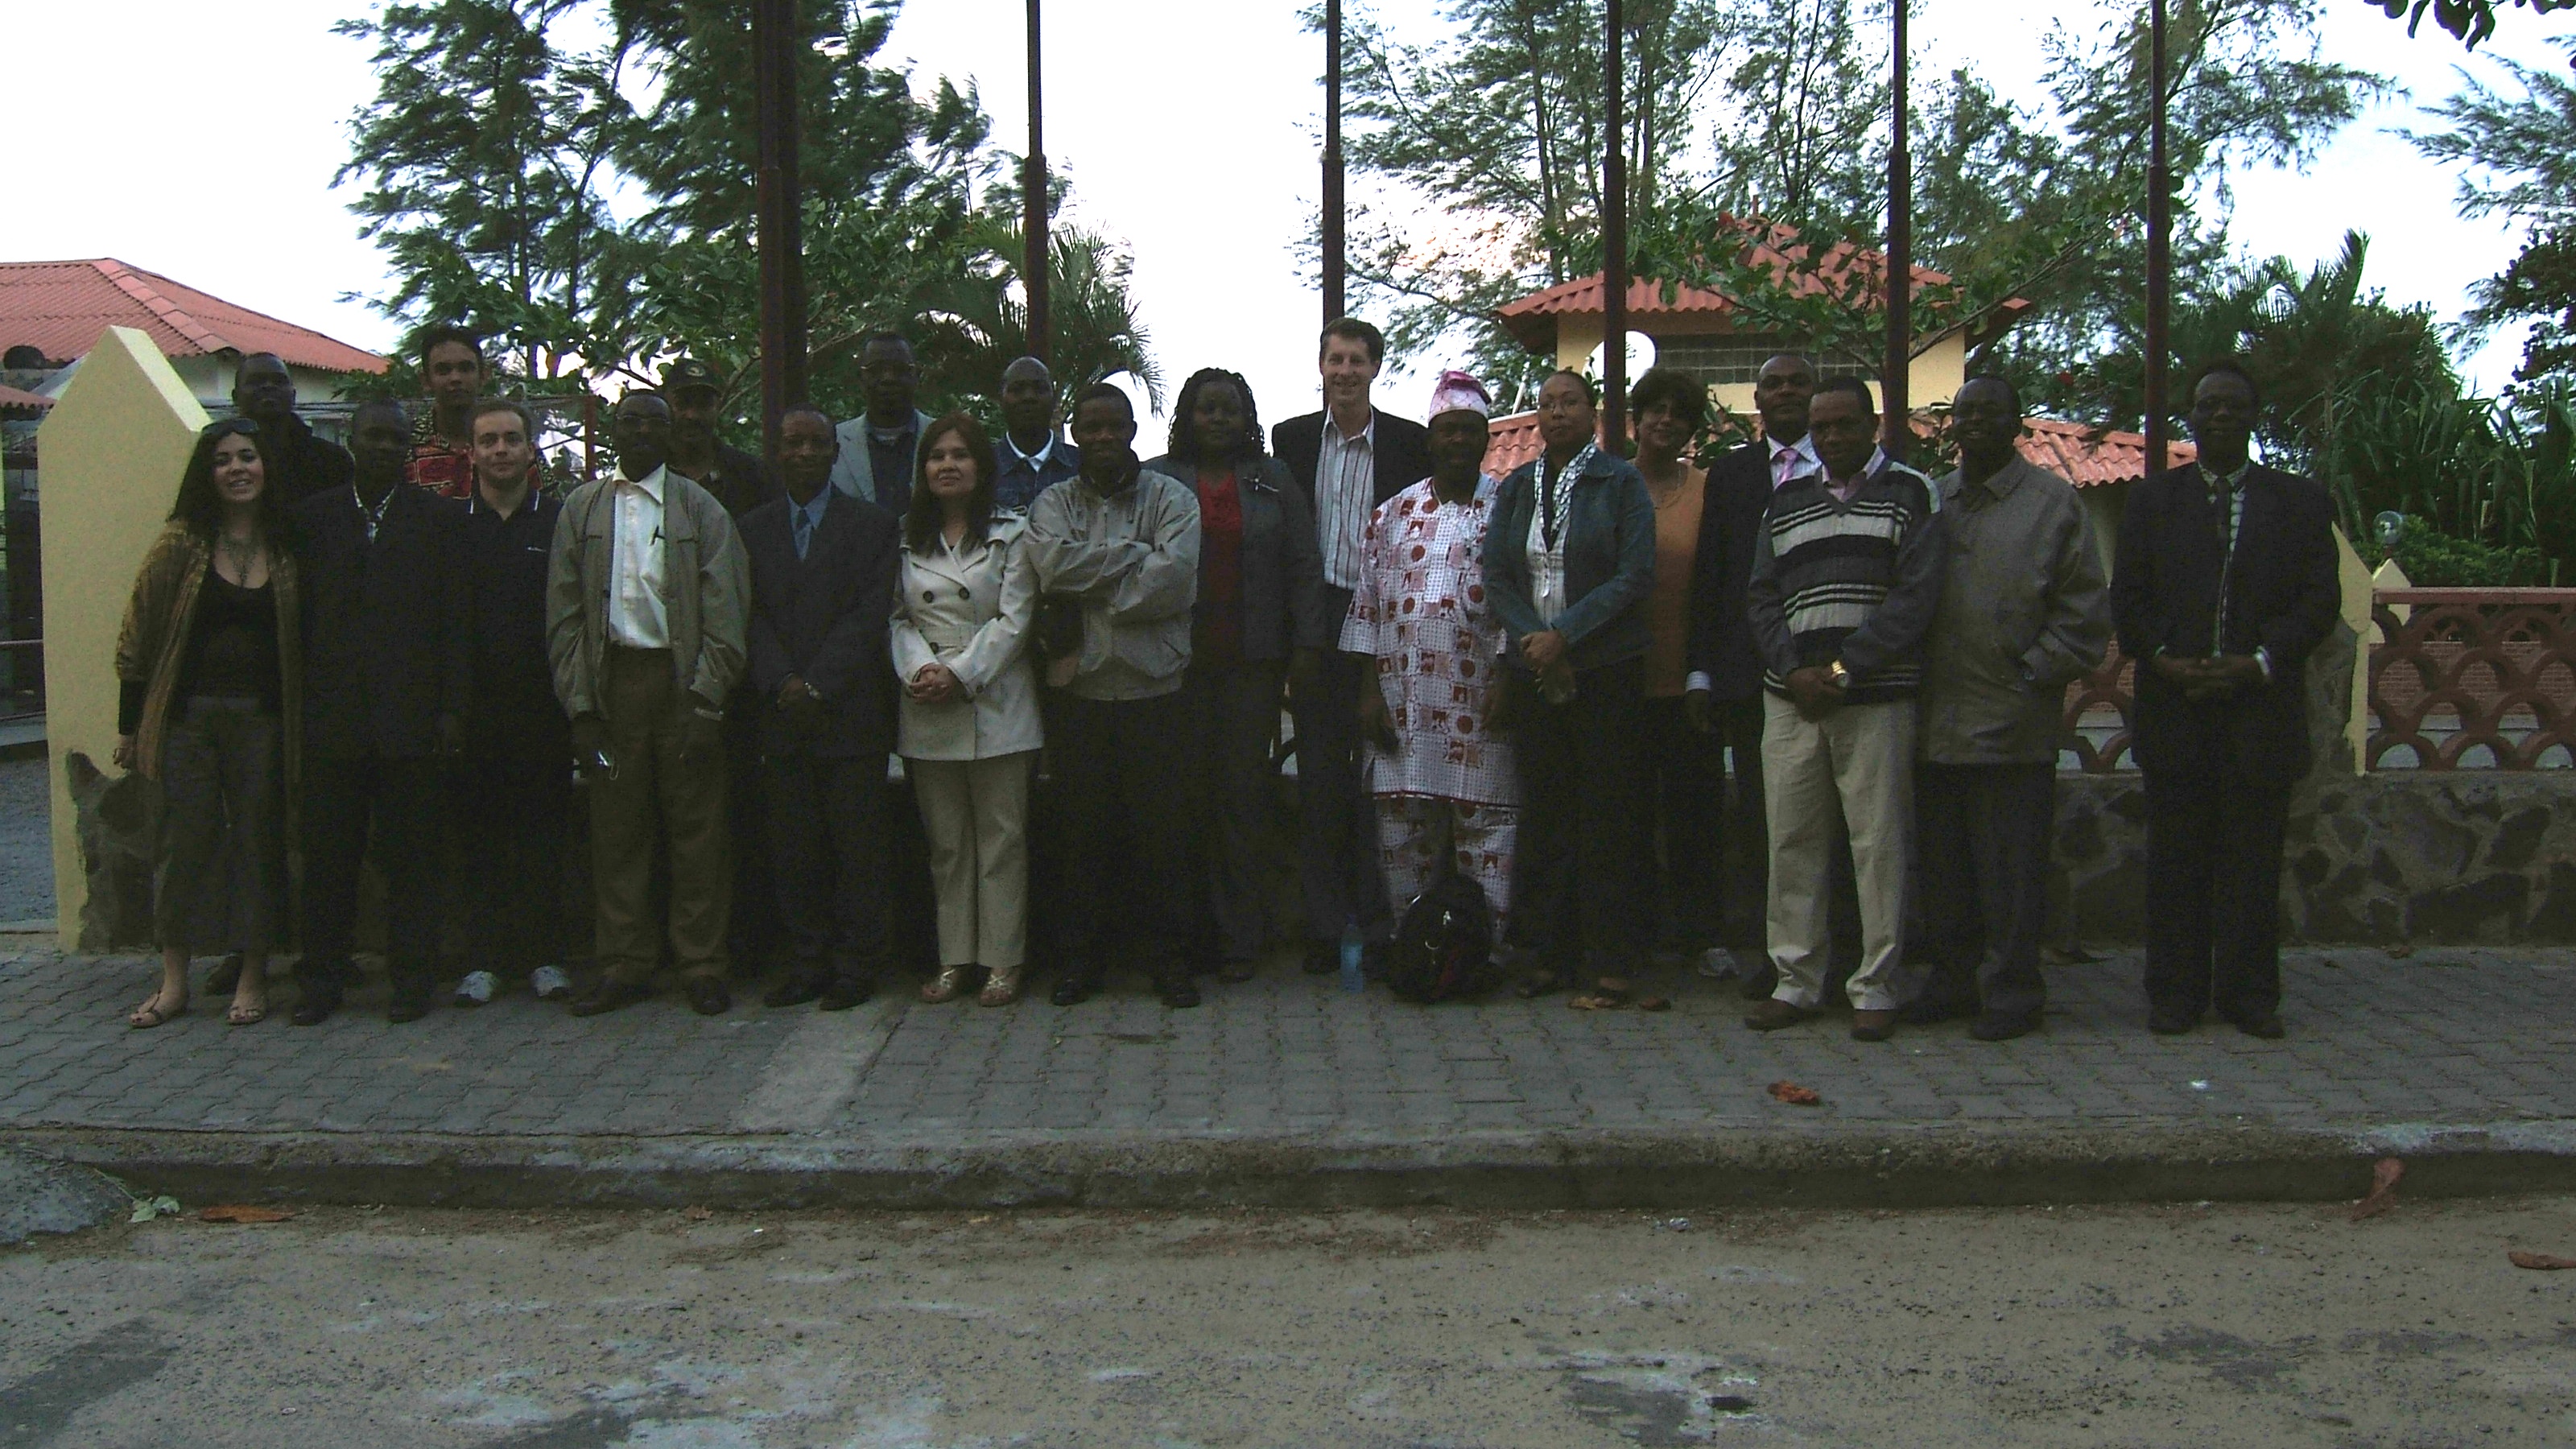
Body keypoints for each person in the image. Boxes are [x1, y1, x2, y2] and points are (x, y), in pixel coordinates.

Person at [2111, 359, 2339, 1039]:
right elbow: (2129, 598)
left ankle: (2249, 996)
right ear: (2190, 415)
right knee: (2176, 863)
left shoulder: (2299, 503)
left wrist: (2260, 662)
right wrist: (2163, 659)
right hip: (2175, 708)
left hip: (2259, 711)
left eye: (2233, 405)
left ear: (2253, 416)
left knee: (2252, 862)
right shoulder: (2152, 501)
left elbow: (2319, 600)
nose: (2220, 415)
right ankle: (2175, 995)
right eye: (2208, 404)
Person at [1905, 378, 2112, 1041]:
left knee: (2011, 874)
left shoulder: (2054, 505)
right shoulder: (1931, 499)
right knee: (1944, 869)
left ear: (2017, 423)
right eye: (1965, 413)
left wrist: (2030, 674)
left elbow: (2084, 613)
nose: (1976, 423)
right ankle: (1951, 981)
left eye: (1991, 412)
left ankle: (2014, 993)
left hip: (2013, 722)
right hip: (1934, 722)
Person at [1742, 378, 1943, 1042]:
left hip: (1874, 698)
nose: (1830, 437)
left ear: (1872, 424)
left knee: (1878, 844)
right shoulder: (1786, 500)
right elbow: (1761, 597)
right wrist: (1794, 671)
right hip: (1791, 700)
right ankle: (1796, 981)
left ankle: (1876, 986)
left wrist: (1842, 668)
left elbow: (1916, 598)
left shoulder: (1910, 493)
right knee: (1792, 842)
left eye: (1844, 425)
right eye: (1820, 427)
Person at [547, 390, 753, 1016]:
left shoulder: (700, 509)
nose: (640, 432)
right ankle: (624, 963)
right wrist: (581, 707)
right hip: (614, 685)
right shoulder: (583, 509)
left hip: (682, 682)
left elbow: (727, 609)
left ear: (670, 435)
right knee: (617, 829)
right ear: (613, 431)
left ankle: (702, 963)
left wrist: (708, 698)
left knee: (698, 830)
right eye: (629, 421)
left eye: (653, 423)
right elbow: (564, 616)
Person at [113, 419, 301, 1028]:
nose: (237, 469)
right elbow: (137, 636)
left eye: (248, 456)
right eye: (223, 460)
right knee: (182, 845)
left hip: (263, 723)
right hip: (187, 721)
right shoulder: (182, 543)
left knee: (258, 842)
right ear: (207, 473)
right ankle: (173, 982)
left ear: (265, 466)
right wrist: (129, 727)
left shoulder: (287, 546)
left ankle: (252, 976)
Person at [1145, 368, 1331, 983]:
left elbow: (1304, 565)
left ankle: (1239, 940)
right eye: (1208, 408)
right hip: (1176, 668)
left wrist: (1306, 646)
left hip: (1252, 666)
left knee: (1242, 800)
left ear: (1249, 419)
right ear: (1188, 416)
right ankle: (1185, 938)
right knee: (1182, 800)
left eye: (1231, 409)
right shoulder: (1157, 478)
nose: (1219, 419)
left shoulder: (1273, 480)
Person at [1024, 383, 1202, 1007]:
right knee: (1081, 836)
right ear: (1075, 433)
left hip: (1157, 689)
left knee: (1163, 835)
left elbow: (1174, 578)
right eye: (1090, 427)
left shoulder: (1172, 498)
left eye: (1114, 426)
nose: (1102, 437)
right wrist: (1134, 557)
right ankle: (1080, 962)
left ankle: (1170, 961)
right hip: (1081, 693)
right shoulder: (1052, 502)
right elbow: (1050, 568)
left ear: (1131, 430)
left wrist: (1095, 588)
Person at [293, 398, 469, 1026]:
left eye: (397, 439)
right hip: (334, 720)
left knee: (413, 860)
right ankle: (321, 980)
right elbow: (300, 620)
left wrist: (451, 708)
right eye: (375, 437)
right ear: (352, 440)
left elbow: (454, 622)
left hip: (411, 721)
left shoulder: (437, 519)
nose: (386, 448)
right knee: (329, 859)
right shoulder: (313, 519)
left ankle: (412, 980)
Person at [1483, 369, 1656, 997]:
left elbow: (1634, 575)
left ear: (1592, 412)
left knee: (1607, 813)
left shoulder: (1621, 482)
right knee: (1546, 812)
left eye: (1569, 403)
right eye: (1547, 404)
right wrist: (1535, 638)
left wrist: (1566, 635)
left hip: (1605, 669)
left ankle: (1610, 957)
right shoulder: (1518, 486)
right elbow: (1497, 574)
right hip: (1535, 669)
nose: (1557, 413)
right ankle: (1546, 954)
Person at [1271, 318, 1435, 975]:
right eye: (1335, 359)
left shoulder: (1409, 444)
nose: (1344, 372)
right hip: (1318, 622)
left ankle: (1379, 921)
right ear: (1320, 366)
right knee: (1319, 781)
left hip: (1388, 624)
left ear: (1375, 369)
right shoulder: (1290, 440)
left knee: (1379, 779)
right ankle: (1323, 925)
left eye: (1356, 361)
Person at [1344, 372, 1518, 946]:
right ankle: (1413, 948)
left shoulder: (1510, 509)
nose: (1458, 440)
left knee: (1488, 830)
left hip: (1481, 703)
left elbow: (1524, 601)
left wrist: (1509, 680)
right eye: (1448, 430)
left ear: (1487, 438)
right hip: (1405, 706)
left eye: (1470, 430)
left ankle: (1482, 953)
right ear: (1430, 438)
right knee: (1403, 833)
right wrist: (1368, 691)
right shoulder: (1392, 514)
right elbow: (1367, 606)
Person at [739, 402, 901, 1011]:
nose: (805, 453)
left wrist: (818, 685)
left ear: (836, 452)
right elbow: (748, 614)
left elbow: (869, 615)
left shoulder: (872, 526)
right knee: (795, 850)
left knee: (858, 850)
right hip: (781, 716)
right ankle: (807, 962)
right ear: (777, 452)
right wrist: (782, 681)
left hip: (849, 713)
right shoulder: (751, 529)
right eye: (794, 443)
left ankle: (858, 965)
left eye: (817, 444)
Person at [891, 413, 1044, 1005]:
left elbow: (1016, 619)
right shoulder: (907, 535)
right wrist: (922, 671)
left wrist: (960, 673)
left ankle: (1003, 961)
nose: (948, 465)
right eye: (937, 456)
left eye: (960, 455)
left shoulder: (1013, 531)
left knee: (1002, 839)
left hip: (997, 697)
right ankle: (954, 958)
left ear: (982, 466)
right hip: (927, 699)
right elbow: (897, 617)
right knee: (947, 845)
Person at [1684, 353, 1822, 993]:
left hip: (1835, 673)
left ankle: (1838, 951)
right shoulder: (1732, 474)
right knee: (1768, 823)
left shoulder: (1847, 467)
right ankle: (1778, 956)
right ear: (1757, 399)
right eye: (1773, 384)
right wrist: (1701, 673)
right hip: (1750, 678)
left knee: (1840, 822)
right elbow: (1711, 577)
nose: (1786, 392)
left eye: (1798, 382)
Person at [450, 397, 575, 1008]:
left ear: (531, 450)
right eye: (488, 441)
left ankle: (545, 956)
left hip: (543, 705)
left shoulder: (559, 522)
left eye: (511, 439)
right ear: (471, 454)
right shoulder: (451, 526)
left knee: (543, 834)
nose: (500, 450)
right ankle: (483, 960)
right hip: (472, 709)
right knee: (479, 836)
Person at [662, 357, 782, 983]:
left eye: (703, 400)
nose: (692, 412)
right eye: (683, 400)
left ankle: (749, 945)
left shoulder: (749, 477)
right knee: (673, 817)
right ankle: (674, 947)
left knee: (744, 811)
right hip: (664, 670)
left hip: (741, 668)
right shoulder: (643, 477)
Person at [1627, 365, 1724, 964]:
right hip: (1621, 679)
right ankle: (1636, 937)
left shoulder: (1708, 491)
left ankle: (1701, 936)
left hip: (1688, 681)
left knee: (1695, 815)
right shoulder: (1609, 486)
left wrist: (1703, 672)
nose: (1666, 421)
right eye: (1656, 409)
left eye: (1679, 413)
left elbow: (1719, 586)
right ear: (1636, 419)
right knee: (1628, 818)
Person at [229, 353, 352, 509]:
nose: (269, 386)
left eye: (279, 381)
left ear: (293, 395)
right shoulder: (219, 460)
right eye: (256, 381)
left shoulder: (332, 460)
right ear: (235, 396)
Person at [830, 333, 935, 513]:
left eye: (900, 369)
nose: (888, 378)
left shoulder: (943, 438)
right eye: (876, 370)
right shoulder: (832, 441)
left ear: (917, 376)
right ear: (860, 378)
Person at [662, 358, 777, 517]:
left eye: (704, 405)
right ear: (664, 406)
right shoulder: (647, 472)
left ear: (717, 407)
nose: (693, 415)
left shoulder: (751, 475)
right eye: (682, 404)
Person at [407, 325, 488, 499]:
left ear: (483, 376)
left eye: (465, 369)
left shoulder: (509, 441)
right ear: (426, 381)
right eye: (443, 370)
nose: (455, 378)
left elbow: (545, 506)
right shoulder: (405, 444)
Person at [993, 357, 1082, 514]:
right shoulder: (982, 468)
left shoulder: (1083, 466)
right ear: (1001, 399)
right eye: (1017, 389)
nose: (1029, 397)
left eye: (1040, 389)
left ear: (1054, 399)